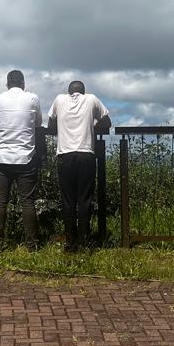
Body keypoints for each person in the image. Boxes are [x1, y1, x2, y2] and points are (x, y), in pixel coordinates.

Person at [47, 80, 110, 252]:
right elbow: (107, 122)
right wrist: (92, 126)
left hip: (65, 155)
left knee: (68, 200)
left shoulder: (59, 100)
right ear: (83, 91)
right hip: (86, 155)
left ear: (69, 92)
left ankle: (70, 242)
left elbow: (51, 125)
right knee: (84, 200)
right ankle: (84, 241)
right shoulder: (91, 99)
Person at [0, 69, 43, 250]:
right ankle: (32, 245)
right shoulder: (32, 99)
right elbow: (37, 123)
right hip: (25, 158)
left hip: (2, 157)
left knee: (0, 202)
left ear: (7, 84)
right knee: (27, 202)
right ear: (23, 84)